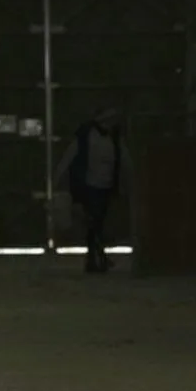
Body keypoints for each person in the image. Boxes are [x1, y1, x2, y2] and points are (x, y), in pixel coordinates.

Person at [54, 107, 133, 273]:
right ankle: (98, 258)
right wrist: (58, 175)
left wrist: (129, 178)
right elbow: (70, 155)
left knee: (96, 223)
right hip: (89, 186)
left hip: (106, 186)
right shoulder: (85, 136)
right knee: (93, 222)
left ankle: (96, 258)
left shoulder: (115, 138)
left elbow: (125, 160)